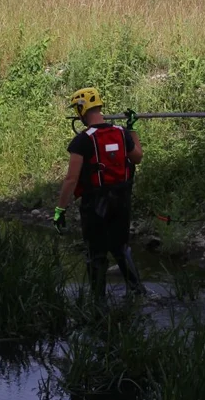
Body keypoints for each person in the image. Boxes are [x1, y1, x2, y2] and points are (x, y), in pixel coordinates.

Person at [53, 87, 143, 299]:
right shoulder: (121, 133)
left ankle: (98, 304)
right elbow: (137, 157)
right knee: (121, 248)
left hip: (96, 205)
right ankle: (139, 293)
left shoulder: (82, 140)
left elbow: (71, 179)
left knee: (97, 254)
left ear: (81, 110)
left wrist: (60, 210)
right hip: (122, 200)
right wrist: (133, 128)